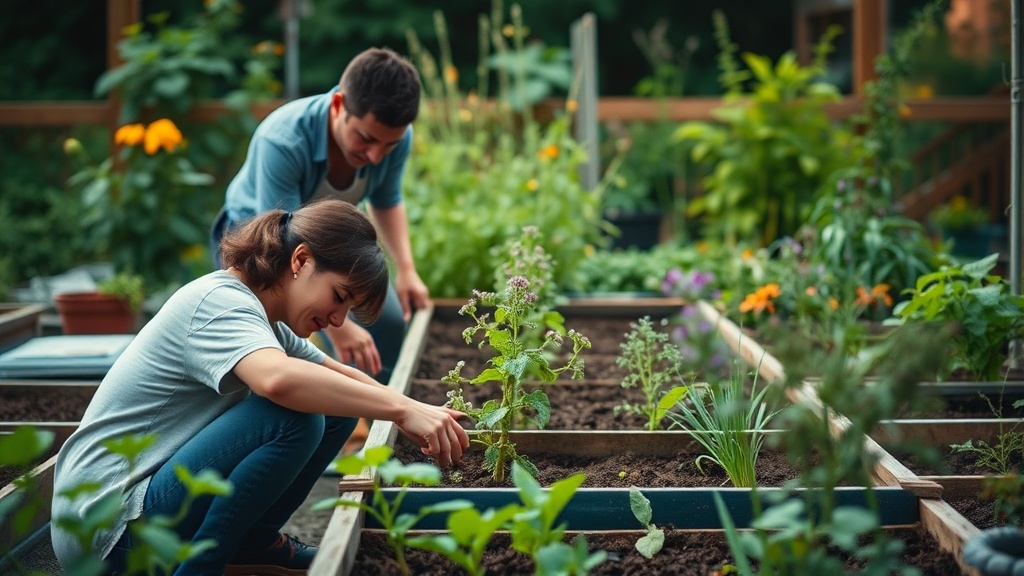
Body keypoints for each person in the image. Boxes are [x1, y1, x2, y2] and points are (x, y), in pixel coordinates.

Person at [51, 199, 468, 575]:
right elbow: (278, 380)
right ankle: (202, 568)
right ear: (301, 260)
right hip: (106, 529)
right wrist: (400, 410)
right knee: (291, 420)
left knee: (336, 406)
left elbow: (337, 376)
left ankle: (252, 542)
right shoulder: (218, 303)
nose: (340, 321)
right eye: (338, 297)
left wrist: (413, 407)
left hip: (142, 505)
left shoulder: (263, 318)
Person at [211, 46, 429, 457]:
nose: (376, 155)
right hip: (259, 247)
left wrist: (407, 270)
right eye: (366, 139)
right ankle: (275, 442)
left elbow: (386, 199)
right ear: (339, 104)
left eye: (389, 145)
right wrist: (339, 325)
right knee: (273, 345)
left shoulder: (392, 135)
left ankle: (372, 429)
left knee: (389, 320)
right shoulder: (284, 138)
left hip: (328, 250)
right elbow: (285, 242)